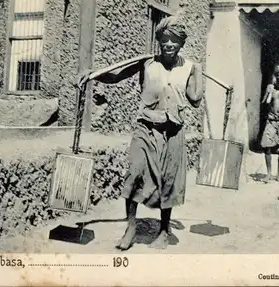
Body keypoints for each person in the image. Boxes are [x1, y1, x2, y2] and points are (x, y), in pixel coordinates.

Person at [78, 15, 204, 250]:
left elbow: (195, 100)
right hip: (145, 127)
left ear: (181, 44)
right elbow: (116, 77)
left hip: (173, 131)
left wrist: (197, 72)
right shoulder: (146, 63)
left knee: (168, 181)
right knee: (134, 173)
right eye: (165, 40)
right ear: (159, 41)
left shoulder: (188, 68)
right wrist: (93, 74)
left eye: (174, 41)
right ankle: (131, 227)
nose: (169, 45)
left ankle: (164, 230)